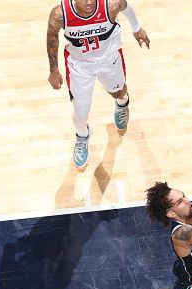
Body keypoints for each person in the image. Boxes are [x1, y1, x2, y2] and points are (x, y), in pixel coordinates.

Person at [46, 0, 150, 169]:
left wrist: (137, 29)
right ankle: (82, 135)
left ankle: (122, 103)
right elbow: (52, 36)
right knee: (81, 110)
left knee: (119, 92)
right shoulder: (60, 14)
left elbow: (127, 8)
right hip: (79, 65)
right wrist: (54, 69)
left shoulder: (111, 5)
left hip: (108, 59)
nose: (89, 2)